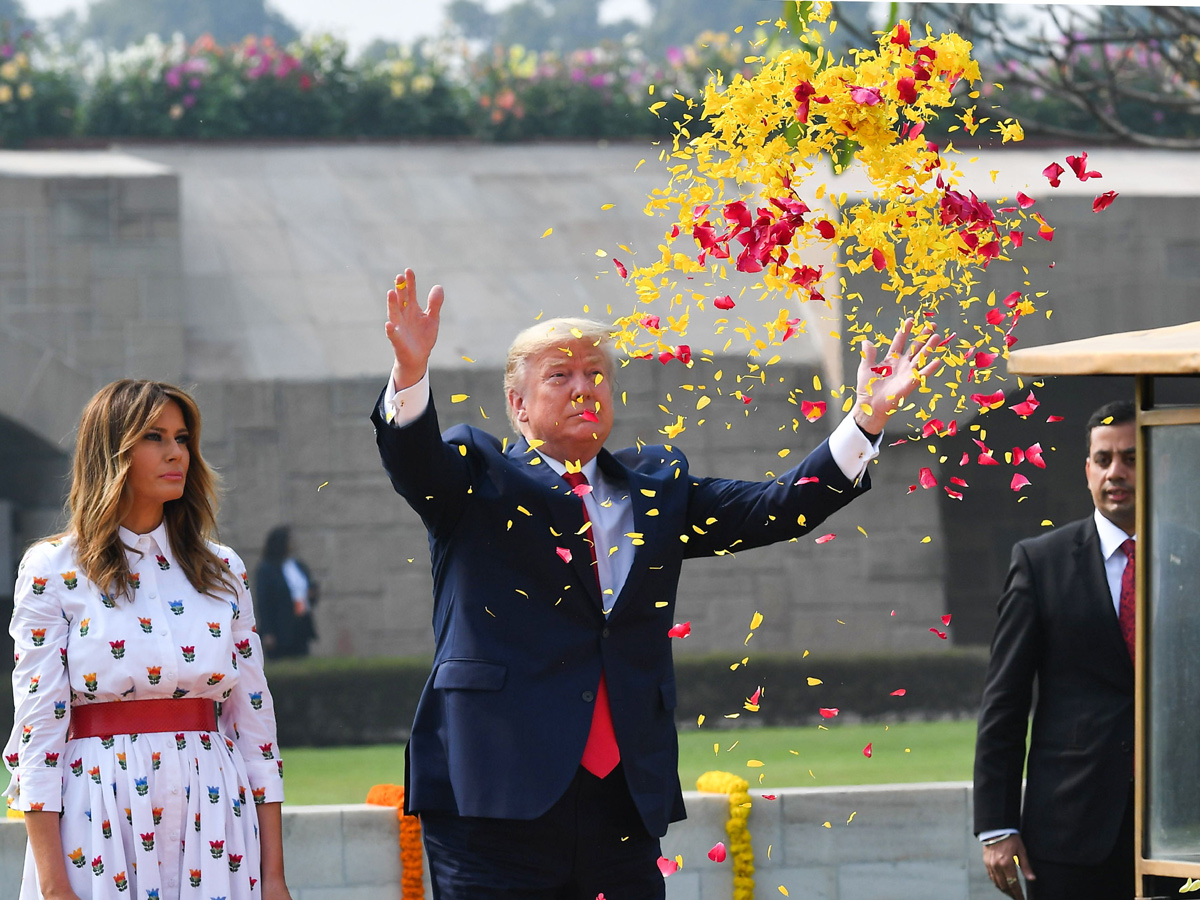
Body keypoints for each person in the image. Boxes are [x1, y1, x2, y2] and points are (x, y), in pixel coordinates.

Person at [371, 268, 942, 899]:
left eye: (596, 374)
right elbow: (415, 462)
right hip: (495, 794)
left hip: (622, 801)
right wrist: (410, 376)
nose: (583, 388)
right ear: (518, 404)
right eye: (560, 376)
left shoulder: (656, 491)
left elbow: (777, 508)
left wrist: (865, 418)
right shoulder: (476, 481)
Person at [3, 380, 291, 900]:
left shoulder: (224, 570)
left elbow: (255, 726)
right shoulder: (52, 569)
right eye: (154, 437)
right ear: (112, 451)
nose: (176, 452)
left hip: (214, 808)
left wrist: (274, 878)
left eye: (182, 438)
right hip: (97, 811)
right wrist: (52, 885)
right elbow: (37, 731)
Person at [973, 399, 1138, 900]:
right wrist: (997, 825)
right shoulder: (1039, 563)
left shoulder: (1188, 558)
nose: (1116, 472)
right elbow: (1005, 699)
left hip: (1179, 828)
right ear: (1087, 469)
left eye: (1131, 458)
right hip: (1069, 831)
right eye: (1104, 459)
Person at [255, 526, 318, 660]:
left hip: (300, 623)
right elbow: (264, 603)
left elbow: (307, 588)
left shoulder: (298, 565)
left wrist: (312, 594)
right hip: (280, 627)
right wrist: (268, 631)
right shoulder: (267, 570)